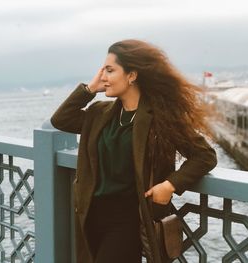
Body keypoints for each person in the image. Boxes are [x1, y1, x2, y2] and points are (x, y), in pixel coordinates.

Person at [50, 39, 217, 263]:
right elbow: (61, 120)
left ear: (132, 75)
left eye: (110, 70)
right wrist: (89, 89)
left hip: (128, 219)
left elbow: (204, 155)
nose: (104, 77)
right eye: (103, 71)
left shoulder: (159, 118)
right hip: (90, 216)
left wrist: (170, 185)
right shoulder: (100, 113)